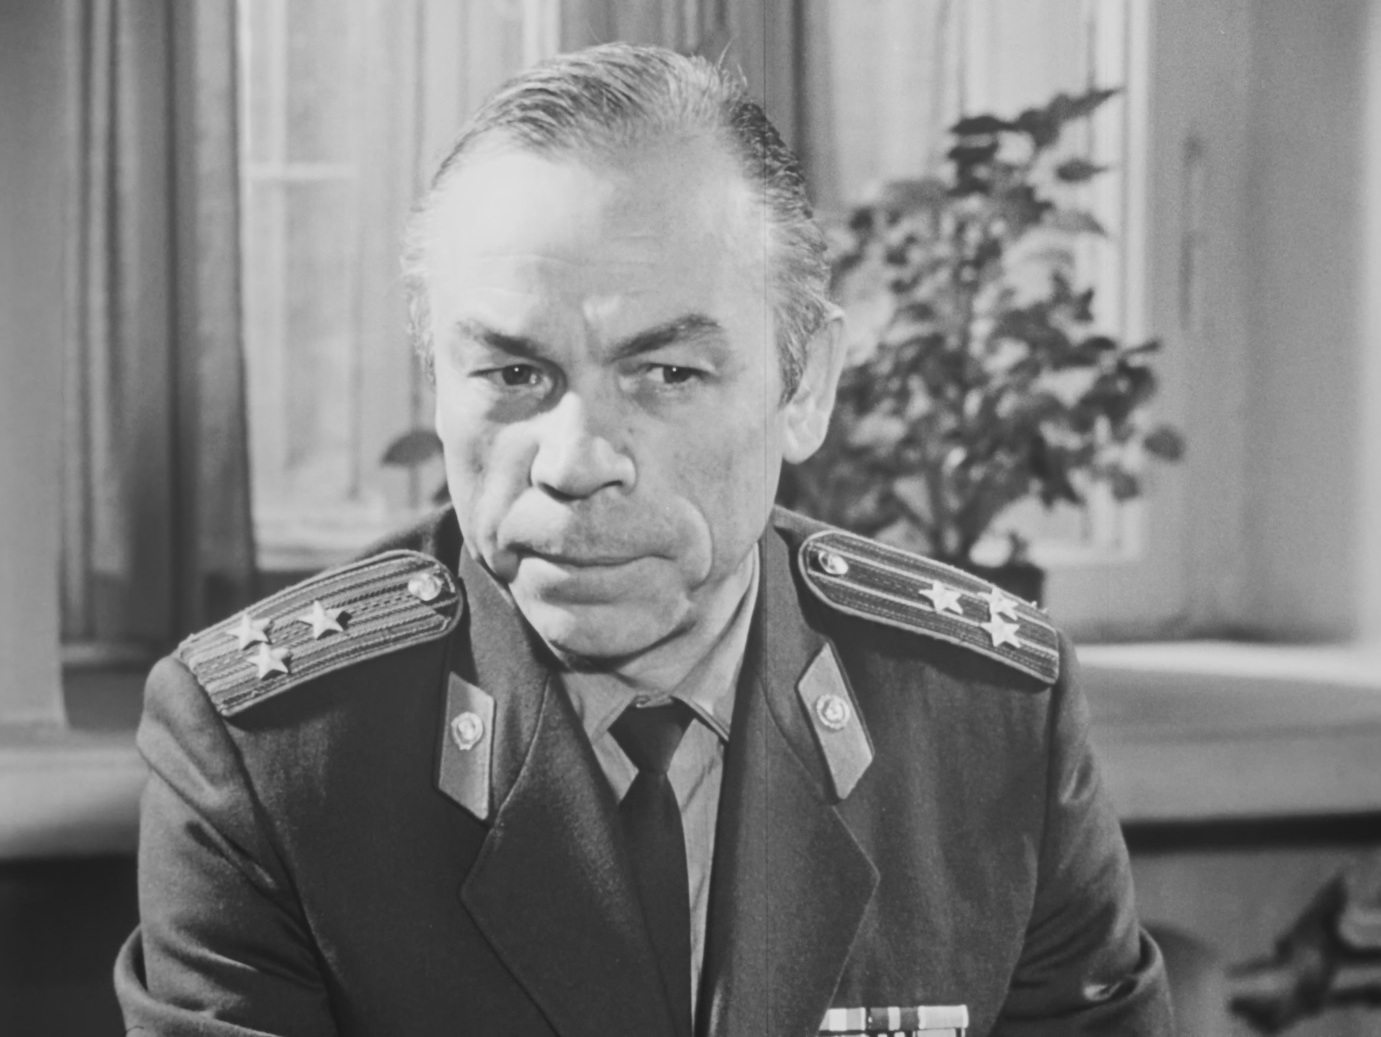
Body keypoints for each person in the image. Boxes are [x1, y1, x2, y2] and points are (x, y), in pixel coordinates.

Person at [115, 43, 1172, 1037]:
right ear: (434, 380)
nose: (576, 460)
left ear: (805, 386)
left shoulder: (988, 722)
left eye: (667, 373)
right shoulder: (276, 754)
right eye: (513, 373)